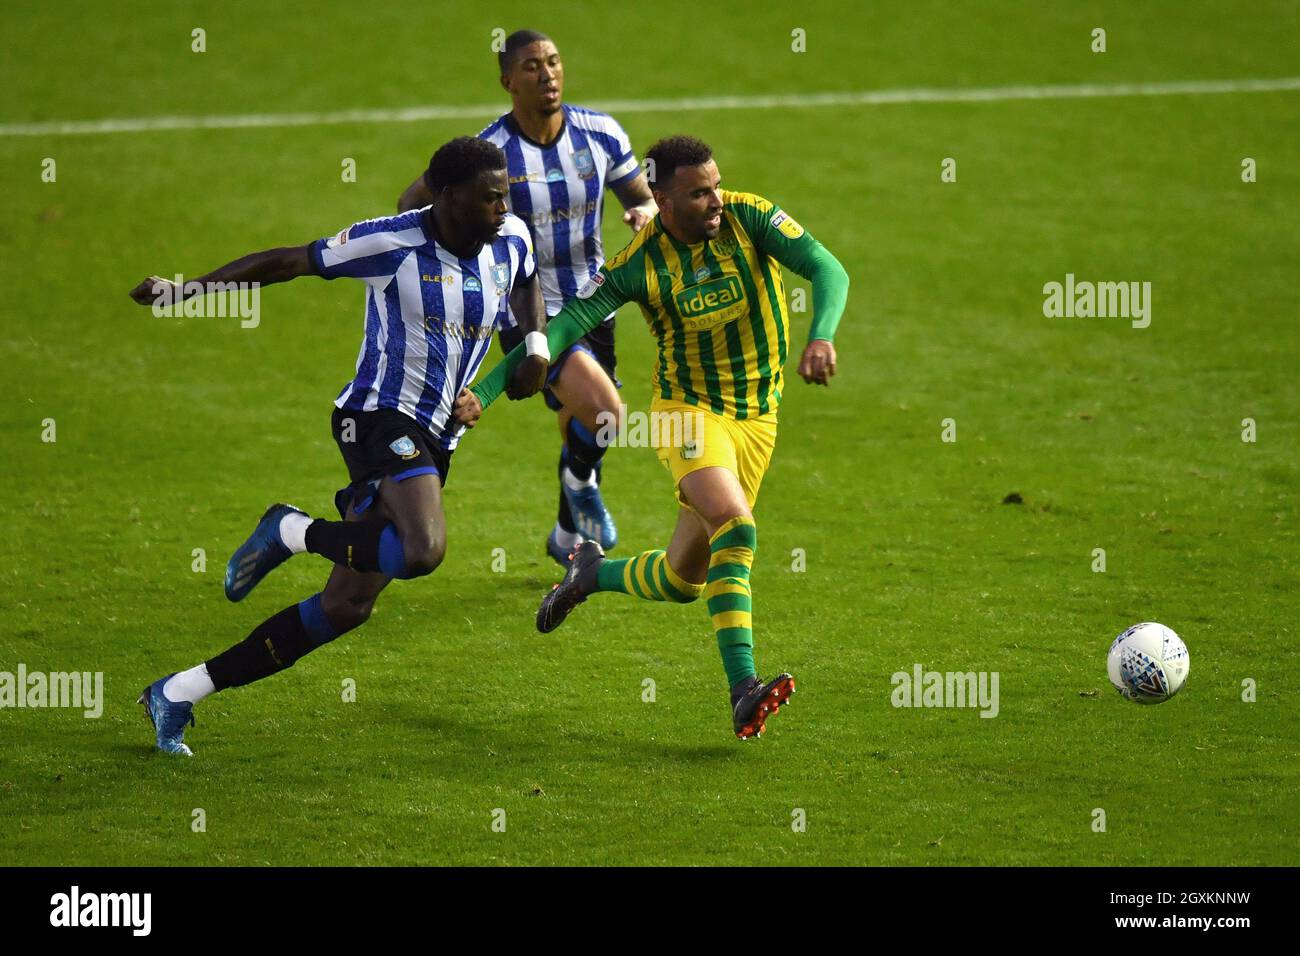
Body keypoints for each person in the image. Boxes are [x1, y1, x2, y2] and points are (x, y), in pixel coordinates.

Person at [127, 137, 548, 755]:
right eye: (490, 197)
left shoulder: (509, 237)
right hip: (376, 418)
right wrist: (186, 290)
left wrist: (532, 348)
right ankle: (292, 530)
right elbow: (288, 262)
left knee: (346, 606)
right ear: (448, 197)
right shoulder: (392, 243)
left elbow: (527, 287)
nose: (503, 206)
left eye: (505, 193)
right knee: (423, 550)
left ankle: (179, 693)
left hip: (438, 436)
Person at [465, 135, 850, 740]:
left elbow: (826, 266)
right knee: (736, 525)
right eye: (699, 193)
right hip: (687, 414)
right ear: (663, 201)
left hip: (758, 418)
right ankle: (742, 688)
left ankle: (589, 574)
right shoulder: (637, 264)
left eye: (716, 185)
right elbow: (562, 328)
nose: (715, 199)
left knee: (682, 580)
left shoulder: (749, 216)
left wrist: (821, 335)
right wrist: (483, 394)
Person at [398, 29, 657, 564]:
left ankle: (566, 535)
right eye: (533, 66)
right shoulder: (489, 152)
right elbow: (414, 203)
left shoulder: (600, 134)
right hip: (526, 308)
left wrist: (643, 215)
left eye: (555, 62)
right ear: (508, 81)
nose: (548, 74)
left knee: (578, 420)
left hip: (594, 302)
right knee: (606, 413)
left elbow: (643, 197)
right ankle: (581, 484)